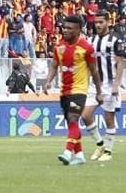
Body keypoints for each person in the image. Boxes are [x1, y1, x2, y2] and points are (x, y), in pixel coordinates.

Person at [42, 15, 101, 166]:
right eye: (64, 27)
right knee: (72, 125)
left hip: (79, 90)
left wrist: (99, 92)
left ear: (79, 30)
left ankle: (67, 153)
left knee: (74, 118)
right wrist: (48, 81)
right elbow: (54, 65)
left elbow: (94, 71)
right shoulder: (59, 47)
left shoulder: (86, 48)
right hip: (64, 91)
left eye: (69, 28)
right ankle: (80, 155)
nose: (65, 30)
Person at [87, 10, 126, 162]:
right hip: (95, 85)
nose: (98, 25)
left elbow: (121, 63)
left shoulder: (116, 39)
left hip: (110, 85)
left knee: (109, 119)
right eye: (96, 22)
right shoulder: (92, 40)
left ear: (108, 22)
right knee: (85, 115)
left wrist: (116, 85)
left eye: (101, 22)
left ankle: (108, 152)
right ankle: (100, 144)